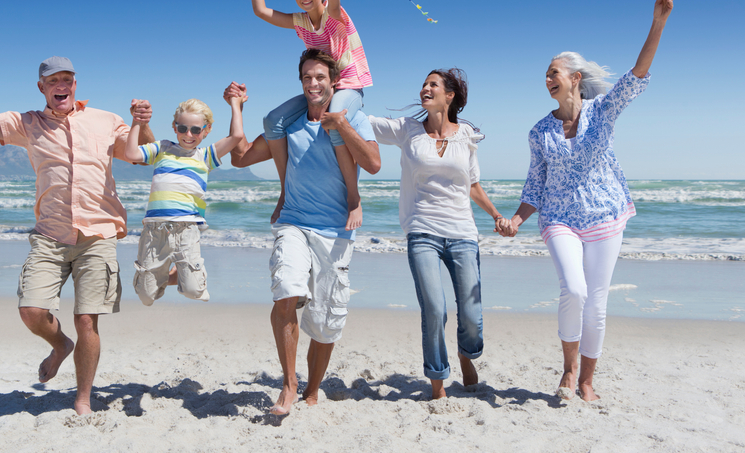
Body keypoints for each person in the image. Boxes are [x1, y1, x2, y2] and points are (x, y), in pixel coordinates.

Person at [0, 42, 154, 415]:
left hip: (98, 236)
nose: (61, 85)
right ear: (41, 87)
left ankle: (82, 399)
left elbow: (142, 155)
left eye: (66, 78)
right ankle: (60, 345)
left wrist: (142, 124)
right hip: (50, 237)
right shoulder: (26, 124)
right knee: (31, 311)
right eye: (53, 80)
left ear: (75, 83)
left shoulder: (104, 120)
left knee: (87, 319)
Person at [502, 0, 674, 401]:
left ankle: (586, 381)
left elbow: (637, 74)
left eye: (553, 73)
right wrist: (516, 220)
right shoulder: (539, 131)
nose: (547, 80)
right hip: (559, 219)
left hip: (605, 216)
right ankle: (568, 368)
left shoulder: (603, 112)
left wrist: (658, 21)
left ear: (575, 79)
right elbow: (535, 186)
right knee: (574, 290)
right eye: (545, 75)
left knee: (596, 303)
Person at [229, 49, 381, 415]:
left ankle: (312, 390)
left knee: (327, 321)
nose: (313, 84)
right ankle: (289, 384)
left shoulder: (355, 119)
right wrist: (236, 108)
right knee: (286, 293)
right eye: (307, 78)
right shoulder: (290, 127)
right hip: (293, 222)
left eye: (320, 78)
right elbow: (241, 157)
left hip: (336, 231)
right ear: (301, 83)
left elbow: (374, 164)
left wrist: (341, 123)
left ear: (333, 82)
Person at [369, 69, 509, 399]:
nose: (425, 88)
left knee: (472, 317)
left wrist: (497, 215)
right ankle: (437, 382)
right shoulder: (407, 130)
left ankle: (466, 354)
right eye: (424, 84)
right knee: (434, 308)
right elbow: (364, 122)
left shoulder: (467, 135)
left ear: (450, 96)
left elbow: (472, 185)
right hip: (422, 230)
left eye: (434, 84)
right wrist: (336, 90)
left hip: (462, 232)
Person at [245, 0, 373, 232]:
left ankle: (353, 197)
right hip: (319, 89)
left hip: (348, 85)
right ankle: (285, 192)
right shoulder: (300, 21)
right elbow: (262, 11)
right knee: (273, 121)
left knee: (334, 119)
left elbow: (337, 6)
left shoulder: (333, 14)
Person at [125, 88, 245, 306]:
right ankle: (167, 274)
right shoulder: (162, 148)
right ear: (174, 127)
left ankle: (186, 275)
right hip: (155, 231)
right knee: (146, 297)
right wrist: (136, 122)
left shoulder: (206, 156)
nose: (188, 135)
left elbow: (236, 136)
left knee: (193, 291)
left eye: (196, 130)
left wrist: (235, 103)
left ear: (206, 130)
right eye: (182, 128)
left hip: (186, 230)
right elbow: (131, 154)